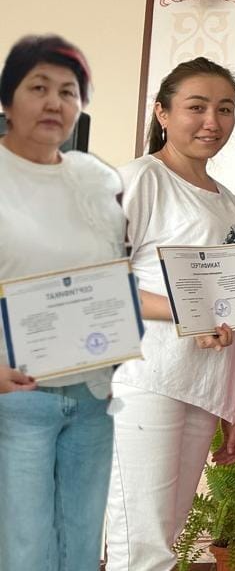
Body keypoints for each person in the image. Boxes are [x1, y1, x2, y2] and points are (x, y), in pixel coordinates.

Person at [104, 58, 235, 571]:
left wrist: (232, 403)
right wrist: (189, 315)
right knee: (140, 543)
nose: (213, 121)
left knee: (166, 535)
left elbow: (231, 302)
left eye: (225, 109)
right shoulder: (140, 179)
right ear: (162, 113)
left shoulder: (225, 199)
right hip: (146, 379)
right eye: (197, 107)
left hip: (201, 385)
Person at [0, 35, 127, 571]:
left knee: (80, 544)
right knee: (24, 547)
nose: (55, 102)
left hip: (92, 393)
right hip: (18, 395)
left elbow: (111, 273)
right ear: (8, 100)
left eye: (68, 91)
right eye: (39, 87)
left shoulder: (93, 179)